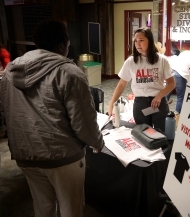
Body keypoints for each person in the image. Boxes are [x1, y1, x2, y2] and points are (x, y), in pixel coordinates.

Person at [0, 19, 104, 217]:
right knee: (71, 209)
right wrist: (97, 142)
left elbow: (8, 112)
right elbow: (83, 123)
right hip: (62, 157)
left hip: (26, 154)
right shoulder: (70, 73)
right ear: (61, 46)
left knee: (43, 206)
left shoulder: (9, 73)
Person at [107, 27, 175, 131]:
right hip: (140, 103)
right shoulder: (130, 61)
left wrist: (159, 96)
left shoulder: (162, 60)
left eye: (141, 40)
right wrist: (112, 103)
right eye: (135, 41)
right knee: (143, 134)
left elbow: (171, 83)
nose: (138, 44)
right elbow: (121, 84)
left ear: (150, 40)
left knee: (161, 134)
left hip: (158, 102)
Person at [166, 49, 190, 115]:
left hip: (172, 72)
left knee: (167, 93)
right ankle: (177, 113)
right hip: (181, 75)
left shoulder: (185, 52)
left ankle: (161, 110)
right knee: (180, 96)